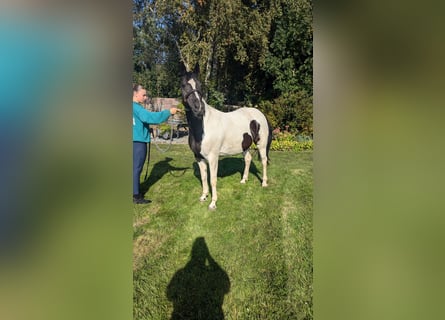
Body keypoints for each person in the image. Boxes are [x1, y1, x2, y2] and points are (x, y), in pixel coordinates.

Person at [133, 84, 178, 204]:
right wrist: (169, 112)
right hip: (137, 142)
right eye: (144, 94)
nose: (145, 97)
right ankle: (136, 196)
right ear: (135, 94)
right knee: (136, 169)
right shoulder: (137, 108)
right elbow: (151, 117)